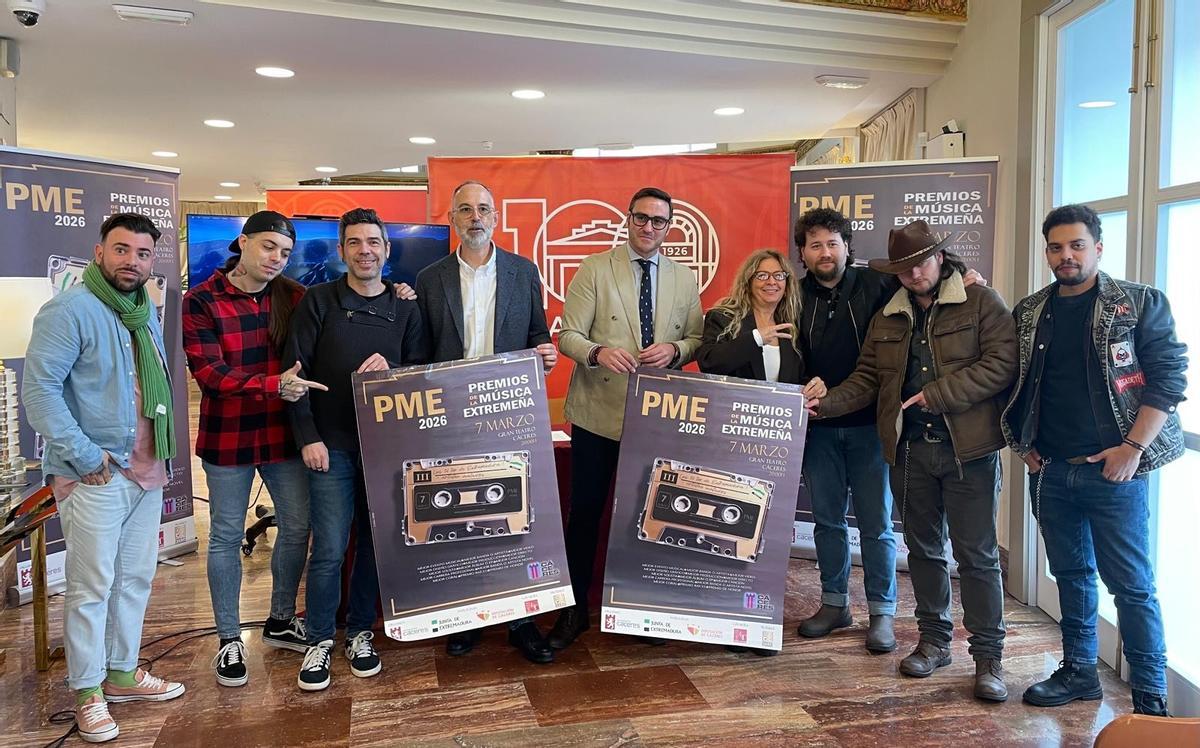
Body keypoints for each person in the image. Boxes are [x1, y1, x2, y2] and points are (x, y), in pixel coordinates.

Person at [808, 220, 1016, 702]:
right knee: (922, 552)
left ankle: (988, 659)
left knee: (978, 558)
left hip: (970, 454)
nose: (914, 273)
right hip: (909, 454)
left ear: (941, 257)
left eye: (921, 262)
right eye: (903, 267)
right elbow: (867, 377)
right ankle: (934, 642)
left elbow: (1004, 362)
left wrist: (937, 394)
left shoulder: (982, 301)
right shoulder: (889, 315)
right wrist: (825, 404)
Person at [1003, 205, 1187, 716]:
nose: (1067, 256)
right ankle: (1080, 672)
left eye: (1077, 245)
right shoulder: (1030, 311)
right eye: (1057, 248)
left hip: (1115, 471)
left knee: (1131, 586)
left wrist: (1133, 449)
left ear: (1098, 248)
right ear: (1047, 253)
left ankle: (1151, 697)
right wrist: (1025, 449)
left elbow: (1168, 379)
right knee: (1072, 576)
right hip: (1053, 471)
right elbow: (1015, 382)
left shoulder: (1138, 302)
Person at [24, 213, 185, 743]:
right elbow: (41, 392)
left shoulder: (144, 311)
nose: (131, 262)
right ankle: (88, 691)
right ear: (99, 252)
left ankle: (120, 674)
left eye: (142, 254)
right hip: (98, 472)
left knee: (134, 580)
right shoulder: (69, 310)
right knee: (91, 586)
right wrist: (85, 456)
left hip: (146, 470)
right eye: (122, 250)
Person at [549, 186, 704, 650]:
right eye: (641, 218)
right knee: (587, 511)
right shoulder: (596, 268)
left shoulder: (683, 276)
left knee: (651, 516)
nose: (649, 227)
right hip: (599, 412)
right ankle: (573, 611)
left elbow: (698, 337)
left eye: (659, 220)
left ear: (669, 227)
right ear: (627, 219)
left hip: (658, 417)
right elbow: (567, 336)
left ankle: (643, 611)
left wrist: (676, 350)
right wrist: (597, 351)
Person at [415, 180, 559, 663]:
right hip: (451, 417)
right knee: (461, 515)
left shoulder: (522, 271)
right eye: (465, 210)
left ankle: (520, 621)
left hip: (508, 414)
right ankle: (468, 617)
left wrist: (547, 354)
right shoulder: (429, 277)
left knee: (512, 517)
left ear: (496, 217)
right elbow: (419, 353)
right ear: (452, 218)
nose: (475, 217)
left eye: (483, 209)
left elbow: (539, 333)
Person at [183, 210, 325, 688]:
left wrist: (400, 293)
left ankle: (281, 619)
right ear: (242, 243)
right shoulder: (201, 300)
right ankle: (228, 639)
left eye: (285, 253)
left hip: (285, 434)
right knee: (224, 534)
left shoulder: (295, 296)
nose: (276, 259)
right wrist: (272, 385)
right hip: (229, 434)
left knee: (298, 525)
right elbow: (209, 375)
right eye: (268, 247)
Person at [286, 207, 426, 691]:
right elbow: (294, 376)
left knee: (372, 544)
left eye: (374, 242)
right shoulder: (318, 301)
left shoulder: (407, 307)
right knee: (327, 547)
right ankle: (321, 640)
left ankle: (361, 632)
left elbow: (422, 373)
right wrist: (308, 437)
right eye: (355, 242)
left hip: (387, 450)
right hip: (331, 446)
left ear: (387, 251)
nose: (365, 250)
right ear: (343, 250)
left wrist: (392, 368)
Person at [694, 248, 826, 655]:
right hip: (731, 444)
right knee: (727, 532)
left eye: (780, 276)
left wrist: (814, 385)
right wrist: (756, 339)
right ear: (748, 279)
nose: (772, 282)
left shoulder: (797, 324)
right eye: (763, 275)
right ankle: (719, 616)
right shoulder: (723, 317)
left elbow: (799, 376)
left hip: (777, 448)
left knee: (768, 537)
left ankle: (757, 621)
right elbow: (710, 362)